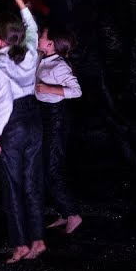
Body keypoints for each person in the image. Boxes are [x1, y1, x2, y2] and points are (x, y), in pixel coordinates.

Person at [0, 0, 45, 263]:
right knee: (32, 182)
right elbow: (32, 29)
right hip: (34, 117)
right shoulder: (30, 52)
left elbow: (6, 103)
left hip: (13, 124)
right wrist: (20, 2)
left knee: (12, 184)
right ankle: (38, 239)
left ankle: (20, 244)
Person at [34, 27, 83, 234]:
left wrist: (49, 89)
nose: (39, 38)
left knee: (52, 168)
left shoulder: (59, 65)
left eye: (43, 36)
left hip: (56, 119)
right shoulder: (45, 58)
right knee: (48, 166)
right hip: (46, 116)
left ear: (51, 43)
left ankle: (73, 214)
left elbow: (76, 91)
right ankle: (64, 211)